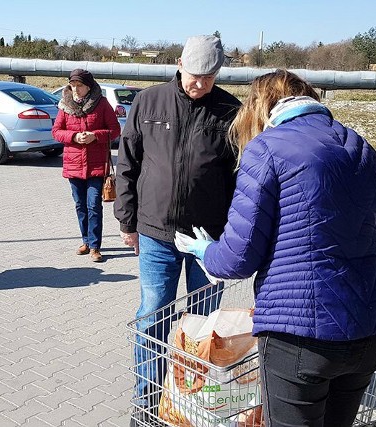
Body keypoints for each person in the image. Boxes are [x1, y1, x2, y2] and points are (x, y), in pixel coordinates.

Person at [180, 69, 376, 427]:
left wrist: (206, 251)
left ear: (260, 107)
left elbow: (237, 257)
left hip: (300, 336)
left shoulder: (267, 148)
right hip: (370, 328)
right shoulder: (360, 146)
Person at [113, 35, 242, 423]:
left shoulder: (231, 111)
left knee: (204, 325)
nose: (198, 83)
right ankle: (147, 402)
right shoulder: (149, 101)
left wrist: (235, 235)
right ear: (179, 64)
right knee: (153, 316)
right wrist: (126, 220)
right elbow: (128, 163)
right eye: (192, 74)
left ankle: (193, 402)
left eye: (208, 76)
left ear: (217, 73)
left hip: (209, 241)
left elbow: (239, 179)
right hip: (155, 233)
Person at [52, 69, 121, 262]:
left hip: (96, 165)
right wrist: (73, 136)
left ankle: (95, 246)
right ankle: (86, 241)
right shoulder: (65, 105)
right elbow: (56, 131)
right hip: (73, 165)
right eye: (73, 85)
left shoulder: (102, 104)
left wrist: (95, 136)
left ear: (88, 86)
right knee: (80, 205)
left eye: (79, 86)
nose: (75, 89)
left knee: (93, 205)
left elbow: (115, 130)